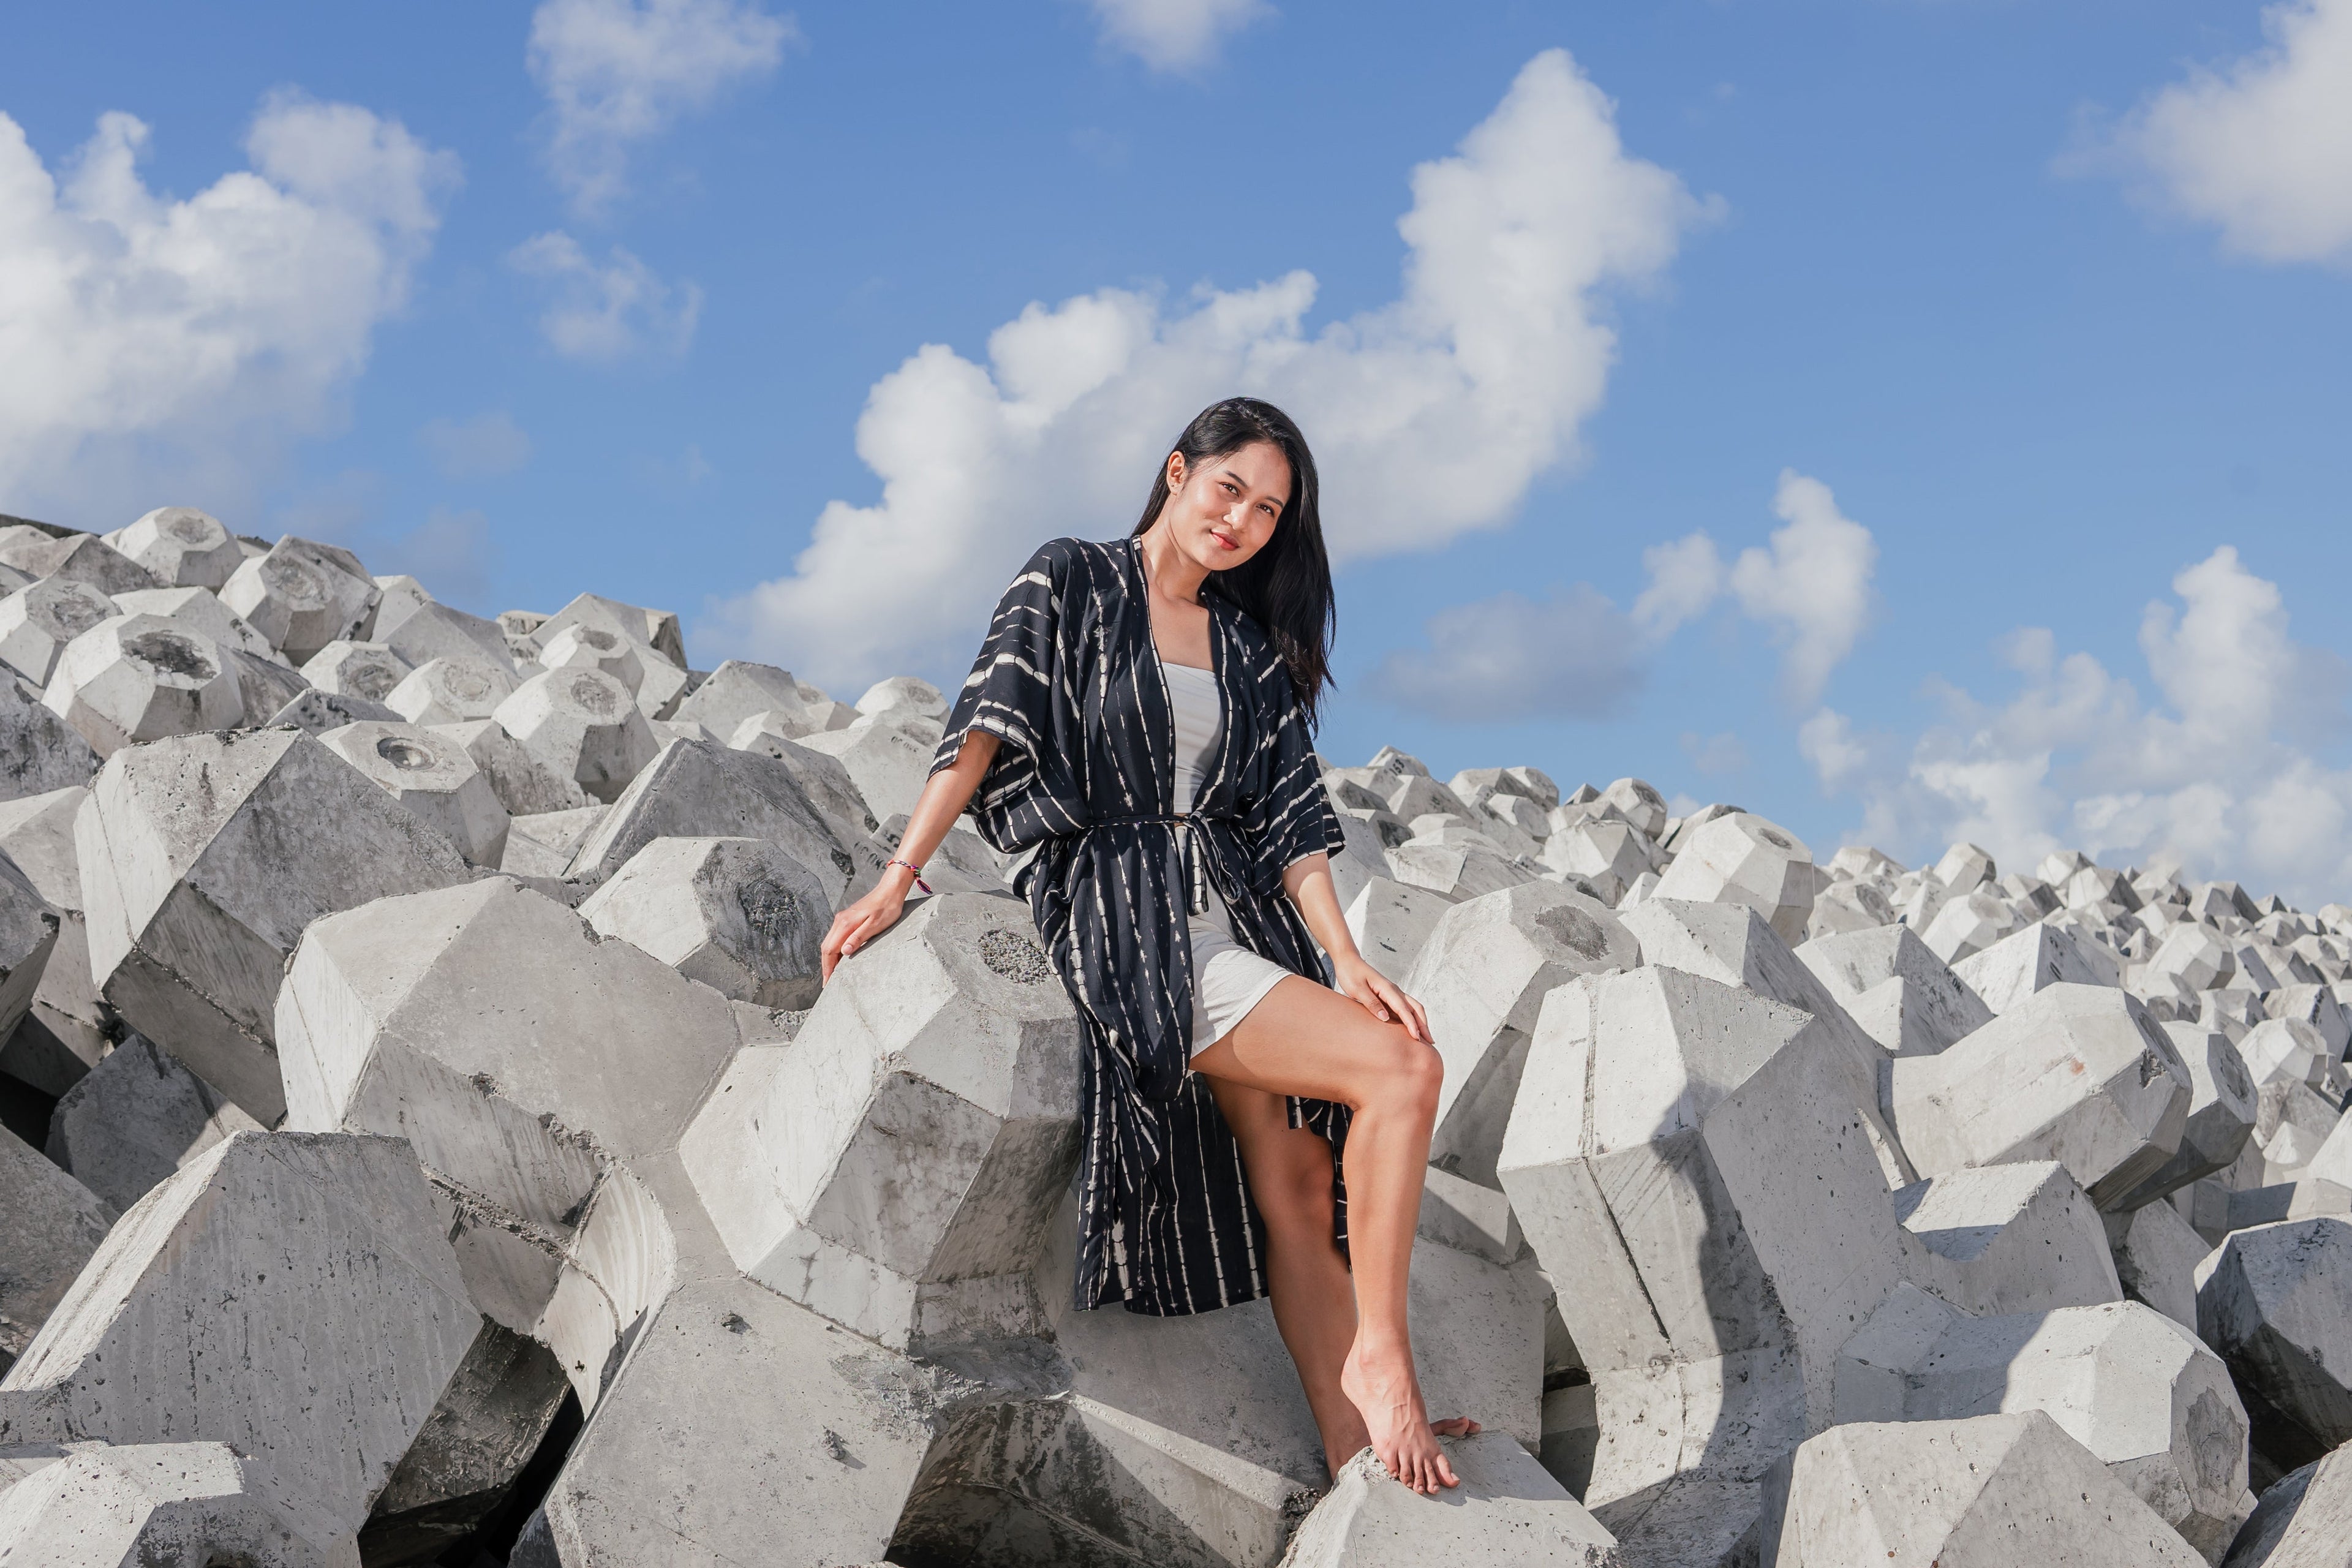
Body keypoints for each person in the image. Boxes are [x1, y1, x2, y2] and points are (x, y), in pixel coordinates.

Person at [820, 396, 1477, 1494]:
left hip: (1238, 918)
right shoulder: (1070, 577)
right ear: (1178, 472)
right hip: (1121, 913)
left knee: (1301, 1178)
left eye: (1269, 512)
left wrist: (1348, 960)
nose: (1244, 522)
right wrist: (898, 878)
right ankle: (1384, 1355)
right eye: (1231, 489)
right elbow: (986, 725)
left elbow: (1294, 827)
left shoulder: (1245, 649)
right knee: (1403, 1069)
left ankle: (1355, 1452)